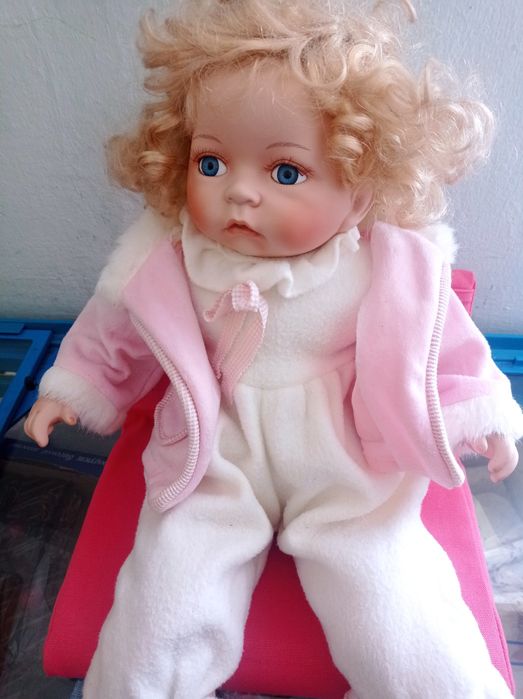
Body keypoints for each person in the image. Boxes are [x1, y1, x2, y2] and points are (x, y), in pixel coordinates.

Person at [24, 1, 523, 696]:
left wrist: (482, 415)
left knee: (391, 592)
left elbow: (442, 349)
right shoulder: (172, 259)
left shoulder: (386, 266)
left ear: (360, 185)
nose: (238, 193)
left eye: (285, 172)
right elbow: (114, 328)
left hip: (345, 454)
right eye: (210, 161)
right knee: (165, 590)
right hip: (215, 447)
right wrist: (75, 385)